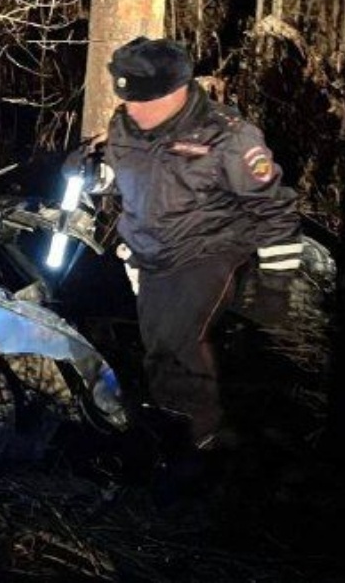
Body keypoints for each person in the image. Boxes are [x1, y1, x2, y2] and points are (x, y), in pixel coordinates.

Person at [98, 36, 303, 457]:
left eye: (142, 100)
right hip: (149, 252)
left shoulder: (229, 137)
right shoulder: (125, 123)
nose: (131, 109)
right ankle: (168, 423)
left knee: (177, 345)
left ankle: (199, 446)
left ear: (176, 92)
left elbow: (275, 210)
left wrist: (276, 287)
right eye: (127, 99)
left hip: (208, 251)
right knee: (156, 348)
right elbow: (121, 172)